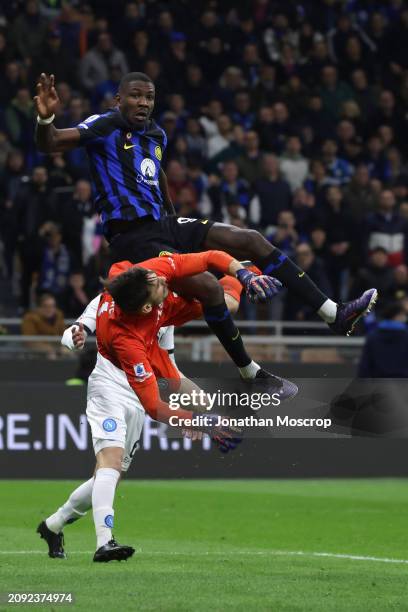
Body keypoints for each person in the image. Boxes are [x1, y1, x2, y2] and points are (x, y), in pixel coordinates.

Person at [34, 71, 377, 356]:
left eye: (149, 97)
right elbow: (50, 143)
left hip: (163, 224)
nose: (143, 103)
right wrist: (46, 117)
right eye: (136, 95)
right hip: (131, 237)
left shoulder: (156, 134)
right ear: (118, 100)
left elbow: (159, 176)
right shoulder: (104, 125)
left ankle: (334, 314)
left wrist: (172, 219)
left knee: (250, 239)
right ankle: (244, 369)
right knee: (209, 288)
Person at [38, 249, 279, 562]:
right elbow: (156, 401)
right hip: (110, 387)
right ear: (147, 305)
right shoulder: (129, 337)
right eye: (158, 286)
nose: (162, 281)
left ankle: (53, 525)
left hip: (139, 391)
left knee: (110, 476)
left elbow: (209, 267)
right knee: (109, 462)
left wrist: (244, 272)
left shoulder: (143, 275)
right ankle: (104, 542)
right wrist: (196, 420)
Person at [358, 302, 408, 377]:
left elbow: (365, 365)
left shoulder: (373, 336)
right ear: (398, 315)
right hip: (402, 383)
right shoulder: (405, 336)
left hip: (378, 383)